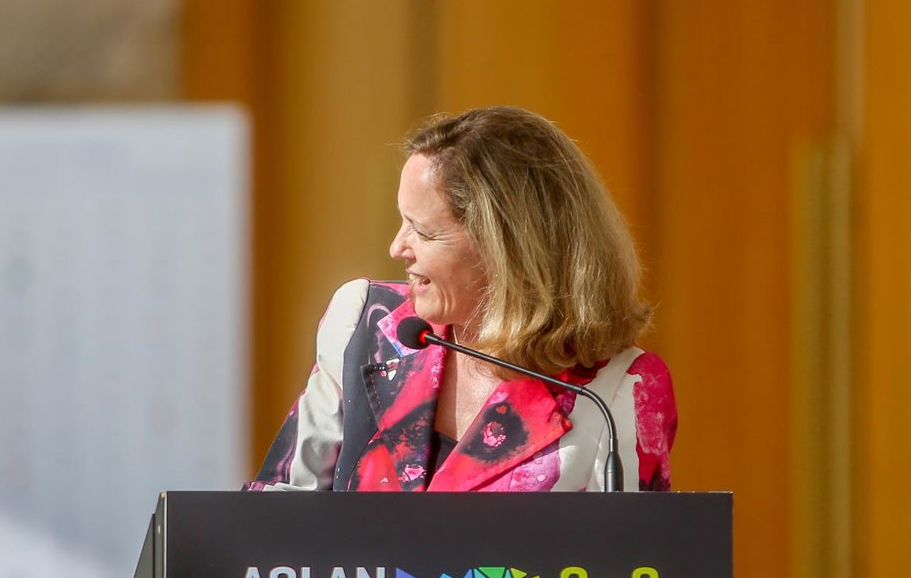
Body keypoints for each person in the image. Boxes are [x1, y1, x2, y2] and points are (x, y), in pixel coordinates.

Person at [246, 106, 677, 492]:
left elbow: (629, 554)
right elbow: (278, 511)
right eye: (402, 222)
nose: (397, 248)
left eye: (423, 232)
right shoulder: (366, 324)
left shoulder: (620, 390)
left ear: (508, 250)